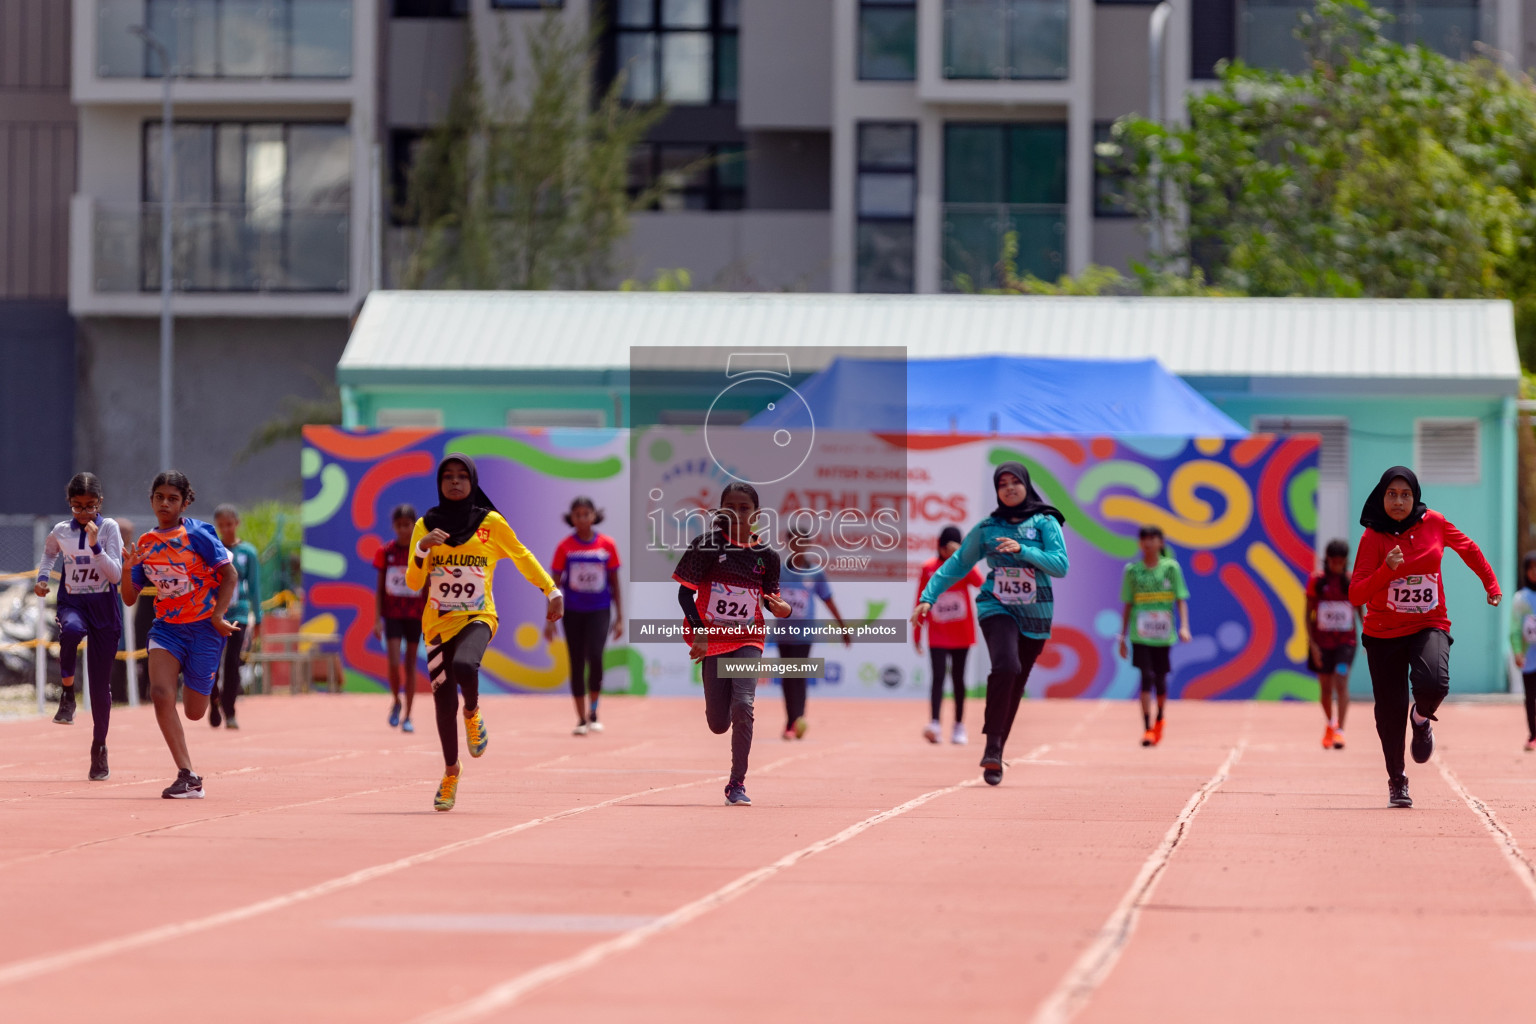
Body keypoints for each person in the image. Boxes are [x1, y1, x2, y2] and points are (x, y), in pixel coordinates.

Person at [404, 455, 562, 812]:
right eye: (448, 477)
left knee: (465, 665)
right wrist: (422, 547)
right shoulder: (425, 525)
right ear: (439, 483)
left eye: (462, 477)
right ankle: (450, 772)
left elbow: (521, 556)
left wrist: (551, 591)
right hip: (437, 625)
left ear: (473, 482)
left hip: (479, 616)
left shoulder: (490, 523)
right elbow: (414, 582)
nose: (455, 482)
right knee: (443, 704)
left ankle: (472, 712)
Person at [1350, 466, 1500, 808]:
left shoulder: (1434, 522)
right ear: (1381, 497)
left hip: (1428, 623)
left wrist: (1490, 583)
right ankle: (1397, 780)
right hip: (1383, 632)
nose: (1399, 501)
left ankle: (1421, 719)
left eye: (1406, 495)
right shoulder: (1372, 538)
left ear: (1415, 496)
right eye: (1392, 494)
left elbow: (1469, 548)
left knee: (1434, 684)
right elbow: (1356, 595)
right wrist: (1386, 570)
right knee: (1390, 712)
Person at [912, 463, 1069, 786]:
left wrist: (1025, 550)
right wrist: (928, 597)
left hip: (1036, 614)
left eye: (1015, 482)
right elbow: (957, 564)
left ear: (1026, 485)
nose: (1010, 488)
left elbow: (1061, 565)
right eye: (1003, 484)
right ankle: (993, 749)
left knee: (1017, 682)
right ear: (997, 491)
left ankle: (996, 749)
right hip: (996, 606)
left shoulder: (1044, 522)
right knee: (1006, 667)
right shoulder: (988, 527)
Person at [119, 472, 239, 799]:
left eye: (173, 498)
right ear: (152, 500)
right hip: (167, 629)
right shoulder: (145, 544)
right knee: (159, 692)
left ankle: (202, 680)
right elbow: (130, 597)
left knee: (194, 711)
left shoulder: (198, 534)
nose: (165, 503)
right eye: (160, 497)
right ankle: (188, 774)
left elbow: (229, 575)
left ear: (185, 502)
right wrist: (127, 570)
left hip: (203, 628)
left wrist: (217, 615)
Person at [674, 482, 791, 806]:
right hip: (713, 638)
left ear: (756, 513)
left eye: (745, 507)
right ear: (722, 509)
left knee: (744, 704)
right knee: (718, 724)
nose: (738, 513)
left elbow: (771, 598)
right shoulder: (706, 546)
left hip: (748, 638)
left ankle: (736, 783)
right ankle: (719, 702)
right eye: (732, 507)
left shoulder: (766, 556)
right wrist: (699, 632)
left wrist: (782, 608)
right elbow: (685, 593)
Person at [34, 472, 123, 781]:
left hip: (104, 609)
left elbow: (115, 576)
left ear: (100, 503)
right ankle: (68, 694)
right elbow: (49, 552)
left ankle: (99, 747)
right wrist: (43, 577)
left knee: (100, 687)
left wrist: (97, 547)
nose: (84, 513)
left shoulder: (109, 528)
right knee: (70, 631)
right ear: (69, 504)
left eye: (89, 506)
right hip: (73, 602)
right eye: (77, 506)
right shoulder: (61, 530)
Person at [545, 497, 623, 736]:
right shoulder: (564, 546)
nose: (581, 518)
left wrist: (620, 616)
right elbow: (554, 585)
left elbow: (615, 582)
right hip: (573, 611)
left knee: (596, 658)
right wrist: (549, 619)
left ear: (594, 516)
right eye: (577, 514)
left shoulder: (606, 545)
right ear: (571, 518)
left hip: (599, 610)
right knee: (576, 662)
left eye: (586, 514)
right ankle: (580, 719)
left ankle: (594, 712)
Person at [771, 522, 852, 741]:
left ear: (808, 544)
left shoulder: (815, 572)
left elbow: (828, 600)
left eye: (803, 542)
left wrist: (843, 627)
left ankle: (796, 721)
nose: (798, 546)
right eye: (794, 541)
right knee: (788, 678)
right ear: (787, 543)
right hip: (783, 635)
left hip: (804, 636)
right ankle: (792, 720)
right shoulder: (778, 570)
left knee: (798, 676)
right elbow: (764, 598)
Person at [1118, 526, 1191, 748]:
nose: (1148, 543)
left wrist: (1185, 627)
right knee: (1145, 676)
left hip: (1163, 635)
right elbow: (1128, 604)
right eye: (1144, 539)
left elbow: (1180, 598)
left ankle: (1160, 717)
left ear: (1161, 543)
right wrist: (1122, 637)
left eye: (1153, 539)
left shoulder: (1171, 569)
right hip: (1140, 635)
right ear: (1140, 543)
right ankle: (1147, 727)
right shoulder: (1132, 571)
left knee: (1159, 678)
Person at [914, 525, 985, 745]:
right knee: (937, 678)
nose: (948, 553)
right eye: (946, 549)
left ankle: (959, 726)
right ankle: (934, 723)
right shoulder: (929, 568)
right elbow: (921, 599)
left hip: (961, 633)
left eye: (954, 549)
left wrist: (962, 557)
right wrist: (917, 632)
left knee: (958, 680)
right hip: (938, 633)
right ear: (940, 547)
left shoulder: (963, 567)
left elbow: (979, 583)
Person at [373, 503, 427, 733]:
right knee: (394, 664)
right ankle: (396, 701)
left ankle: (409, 715)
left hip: (415, 615)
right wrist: (377, 619)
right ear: (393, 526)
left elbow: (427, 586)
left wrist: (429, 617)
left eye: (408, 525)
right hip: (393, 614)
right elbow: (379, 589)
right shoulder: (386, 552)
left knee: (411, 664)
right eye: (399, 525)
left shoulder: (421, 553)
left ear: (414, 526)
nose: (404, 530)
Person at [210, 504, 262, 730]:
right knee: (212, 663)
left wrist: (258, 618)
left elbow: (255, 588)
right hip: (215, 613)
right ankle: (213, 701)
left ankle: (230, 711)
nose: (226, 529)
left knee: (233, 662)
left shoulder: (247, 553)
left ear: (236, 524)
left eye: (229, 525)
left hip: (238, 614)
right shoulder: (213, 549)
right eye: (221, 526)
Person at [1307, 538, 1359, 750]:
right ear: (1327, 559)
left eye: (1341, 561)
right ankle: (1330, 723)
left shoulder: (1351, 580)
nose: (1337, 565)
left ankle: (1340, 731)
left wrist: (1370, 639)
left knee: (1341, 681)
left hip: (1346, 643)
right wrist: (1312, 644)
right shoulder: (1317, 581)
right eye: (1333, 561)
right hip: (1322, 643)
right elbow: (1307, 615)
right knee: (1326, 688)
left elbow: (1361, 612)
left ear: (1345, 561)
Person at [1509, 551, 1536, 753]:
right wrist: (1518, 652)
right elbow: (1515, 629)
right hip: (1529, 657)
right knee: (1531, 697)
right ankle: (1533, 735)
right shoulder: (1521, 599)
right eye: (1531, 568)